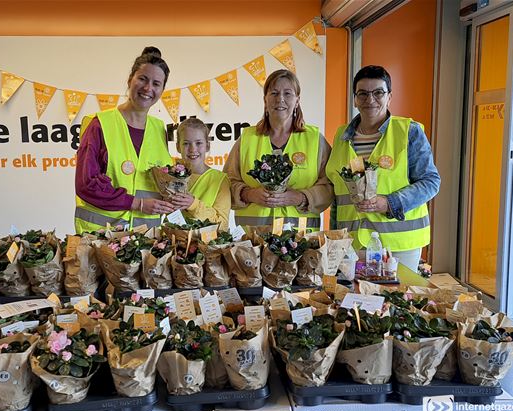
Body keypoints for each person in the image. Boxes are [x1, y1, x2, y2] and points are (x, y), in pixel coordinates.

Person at [326, 65, 440, 271]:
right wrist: (335, 237)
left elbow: (431, 182)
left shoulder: (408, 131)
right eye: (362, 94)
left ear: (389, 97)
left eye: (378, 92)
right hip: (353, 241)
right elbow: (338, 192)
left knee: (396, 301)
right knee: (357, 301)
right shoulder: (342, 136)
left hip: (398, 245)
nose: (370, 100)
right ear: (355, 99)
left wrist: (389, 203)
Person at [74, 47, 175, 233]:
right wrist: (138, 203)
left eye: (156, 83)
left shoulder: (160, 129)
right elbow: (86, 185)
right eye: (142, 79)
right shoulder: (99, 124)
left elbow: (161, 183)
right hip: (101, 238)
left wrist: (174, 198)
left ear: (162, 90)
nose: (148, 88)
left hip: (147, 239)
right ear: (130, 80)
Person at [223, 69, 333, 231]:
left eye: (287, 93)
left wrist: (300, 197)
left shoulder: (315, 140)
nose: (280, 99)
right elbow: (226, 183)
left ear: (297, 101)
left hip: (301, 243)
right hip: (253, 242)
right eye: (274, 93)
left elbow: (329, 185)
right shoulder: (247, 139)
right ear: (265, 100)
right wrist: (249, 194)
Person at [169, 118, 231, 230]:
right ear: (178, 147)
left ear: (207, 145)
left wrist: (193, 204)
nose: (193, 149)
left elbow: (223, 225)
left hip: (206, 245)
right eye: (186, 143)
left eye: (198, 143)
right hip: (173, 241)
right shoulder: (169, 176)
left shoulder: (220, 180)